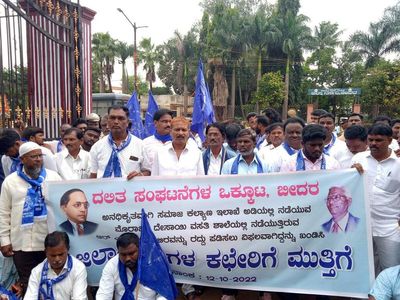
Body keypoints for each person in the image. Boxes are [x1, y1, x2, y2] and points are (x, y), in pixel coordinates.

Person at [0, 142, 61, 296]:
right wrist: (4, 240)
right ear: (22, 159)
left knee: (51, 283)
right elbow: (4, 212)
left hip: (48, 243)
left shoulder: (53, 177)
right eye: (33, 156)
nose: (38, 159)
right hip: (22, 243)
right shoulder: (11, 181)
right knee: (28, 284)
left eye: (40, 156)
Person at [351, 124, 400, 275]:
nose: (373, 143)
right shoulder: (359, 159)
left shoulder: (399, 164)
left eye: (378, 140)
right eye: (370, 139)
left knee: (390, 270)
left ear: (390, 140)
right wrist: (352, 172)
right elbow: (346, 186)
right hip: (360, 226)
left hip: (389, 227)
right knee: (362, 269)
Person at [96, 233, 167, 300]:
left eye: (131, 253)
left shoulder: (154, 263)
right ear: (118, 252)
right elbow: (104, 294)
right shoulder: (112, 265)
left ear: (140, 249)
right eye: (123, 255)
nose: (128, 258)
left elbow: (164, 294)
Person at [89, 105, 150, 179]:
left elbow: (148, 171)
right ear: (108, 121)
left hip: (130, 189)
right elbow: (93, 175)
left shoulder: (141, 145)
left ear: (127, 122)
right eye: (112, 118)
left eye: (121, 118)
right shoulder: (97, 147)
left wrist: (140, 175)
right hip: (103, 190)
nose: (116, 122)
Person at [24, 231, 87, 299]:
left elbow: (79, 298)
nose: (57, 259)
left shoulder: (78, 268)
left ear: (68, 249)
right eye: (53, 255)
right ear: (46, 252)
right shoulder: (37, 272)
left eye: (61, 254)